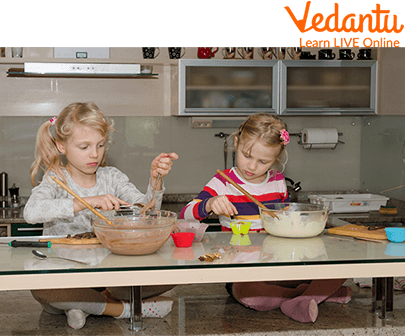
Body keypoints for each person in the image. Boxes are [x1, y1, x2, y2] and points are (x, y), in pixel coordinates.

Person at [180, 113, 351, 323]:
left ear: (276, 158)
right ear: (236, 143)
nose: (251, 166)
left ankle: (300, 298)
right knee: (248, 293)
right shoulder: (222, 182)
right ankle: (309, 297)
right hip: (243, 273)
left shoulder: (278, 182)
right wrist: (209, 204)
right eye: (246, 156)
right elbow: (185, 214)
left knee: (342, 268)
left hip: (279, 265)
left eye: (263, 161)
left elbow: (286, 222)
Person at [24, 102, 178, 329]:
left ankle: (85, 306)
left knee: (172, 275)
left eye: (100, 145)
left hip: (106, 277)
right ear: (61, 146)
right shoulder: (56, 178)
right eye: (84, 147)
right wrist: (82, 203)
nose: (94, 154)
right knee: (42, 287)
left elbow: (147, 211)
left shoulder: (112, 177)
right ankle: (121, 309)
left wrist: (155, 180)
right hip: (66, 278)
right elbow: (31, 212)